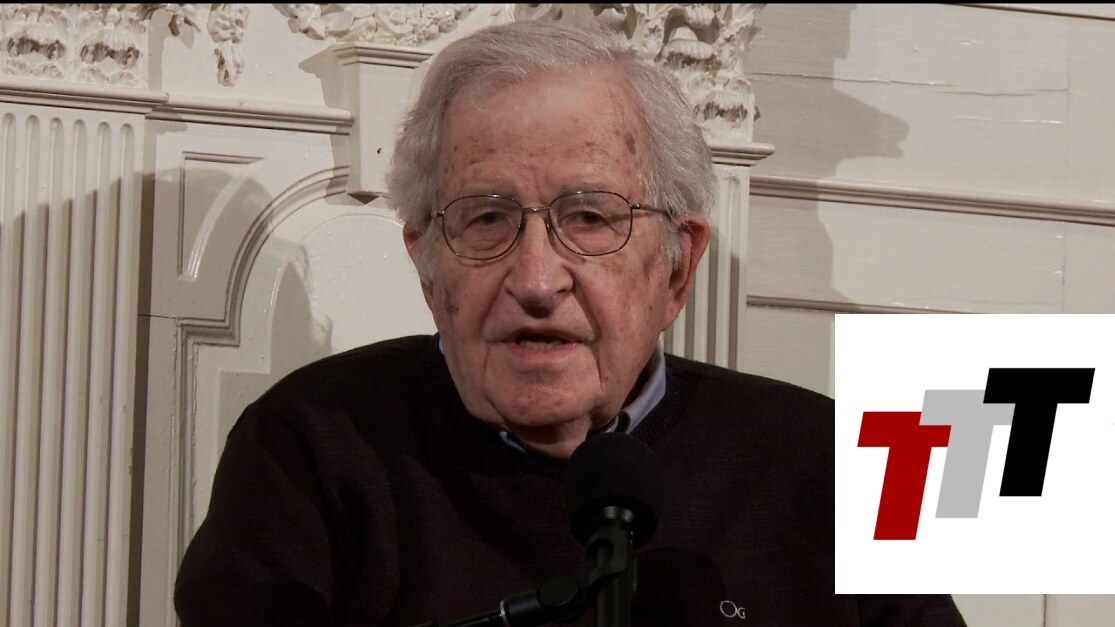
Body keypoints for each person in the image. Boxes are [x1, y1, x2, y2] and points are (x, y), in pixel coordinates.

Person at [174, 19, 967, 627]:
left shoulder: (836, 463)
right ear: (428, 268)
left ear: (675, 267)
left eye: (589, 217)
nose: (535, 278)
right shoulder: (310, 445)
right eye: (486, 218)